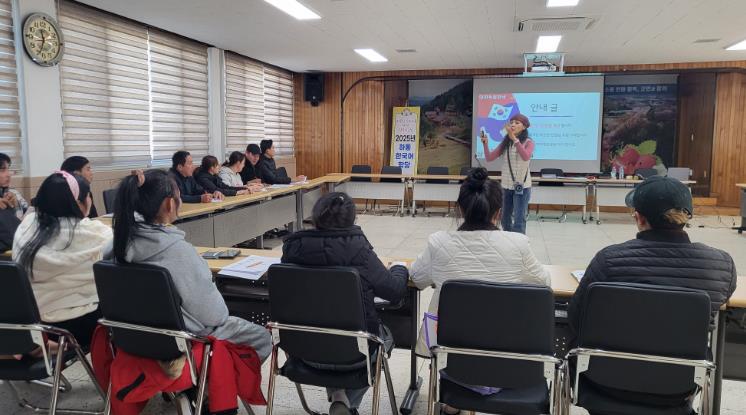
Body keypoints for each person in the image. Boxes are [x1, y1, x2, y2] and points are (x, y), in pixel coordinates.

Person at [567, 176, 737, 412]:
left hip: (604, 381)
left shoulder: (608, 260)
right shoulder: (720, 266)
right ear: (687, 216)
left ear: (638, 218)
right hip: (678, 386)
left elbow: (576, 319)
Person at [108, 169, 271, 360]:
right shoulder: (178, 251)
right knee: (261, 337)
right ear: (170, 204)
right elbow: (215, 316)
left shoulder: (116, 246)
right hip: (184, 341)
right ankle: (213, 378)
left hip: (133, 339)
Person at [281, 192, 408, 415]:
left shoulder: (293, 249)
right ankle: (350, 405)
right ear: (352, 219)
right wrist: (399, 268)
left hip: (302, 352)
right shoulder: (359, 251)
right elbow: (395, 292)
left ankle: (339, 396)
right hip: (355, 357)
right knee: (383, 337)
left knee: (327, 327)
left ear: (316, 217)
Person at [411, 167, 549, 353]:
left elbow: (416, 278)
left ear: (460, 209)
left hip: (449, 356)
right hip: (504, 350)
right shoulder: (519, 245)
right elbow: (544, 282)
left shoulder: (438, 243)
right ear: (499, 213)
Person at [13, 171, 113, 348]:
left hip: (34, 326)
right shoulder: (94, 233)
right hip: (78, 326)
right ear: (78, 203)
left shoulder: (27, 227)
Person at [480, 113, 535, 234]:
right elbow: (489, 158)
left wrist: (514, 139)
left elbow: (525, 156)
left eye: (517, 123)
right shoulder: (506, 142)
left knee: (519, 219)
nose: (513, 125)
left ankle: (518, 242)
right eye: (511, 123)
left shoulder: (529, 142)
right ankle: (508, 240)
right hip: (506, 186)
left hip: (522, 186)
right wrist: (485, 144)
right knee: (505, 218)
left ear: (524, 127)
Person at [0, 152, 29, 219]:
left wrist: (16, 205)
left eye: (8, 169)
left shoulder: (13, 192)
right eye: (2, 170)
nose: (8, 174)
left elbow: (28, 217)